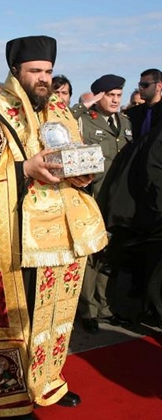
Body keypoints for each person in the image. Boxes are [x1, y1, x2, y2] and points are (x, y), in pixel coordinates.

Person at [0, 36, 107, 419]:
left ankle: (47, 381)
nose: (43, 78)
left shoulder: (59, 113)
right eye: (35, 71)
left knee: (55, 316)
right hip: (19, 239)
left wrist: (81, 172)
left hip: (63, 235)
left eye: (48, 71)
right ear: (15, 72)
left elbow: (72, 160)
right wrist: (25, 168)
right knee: (22, 318)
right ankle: (13, 390)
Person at [77, 74, 132, 334]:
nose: (115, 100)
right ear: (98, 96)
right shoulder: (85, 121)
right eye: (110, 95)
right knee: (92, 256)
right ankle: (88, 310)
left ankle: (105, 307)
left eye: (119, 95)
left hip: (119, 200)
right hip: (94, 197)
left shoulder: (125, 122)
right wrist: (84, 106)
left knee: (110, 255)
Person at [125, 68, 162, 140]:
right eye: (140, 85)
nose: (141, 88)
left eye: (145, 85)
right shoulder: (132, 113)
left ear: (159, 86)